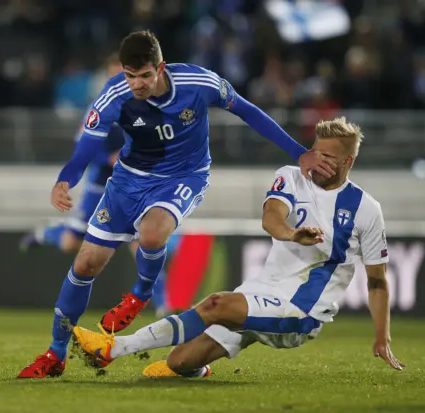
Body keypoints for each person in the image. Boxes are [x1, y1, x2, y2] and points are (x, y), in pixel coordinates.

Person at [17, 31, 335, 379]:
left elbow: (249, 112)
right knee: (85, 264)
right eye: (129, 75)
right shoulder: (114, 96)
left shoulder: (199, 83)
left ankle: (141, 293)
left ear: (160, 68)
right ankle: (55, 352)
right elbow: (86, 149)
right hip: (128, 180)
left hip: (183, 177)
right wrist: (66, 179)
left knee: (152, 236)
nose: (136, 84)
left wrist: (299, 152)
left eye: (144, 75)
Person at [72, 117, 405, 377]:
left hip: (302, 309)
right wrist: (290, 234)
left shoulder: (366, 209)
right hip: (261, 292)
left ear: (348, 162)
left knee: (215, 303)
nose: (317, 160)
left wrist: (381, 336)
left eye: (328, 157)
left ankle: (112, 349)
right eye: (315, 151)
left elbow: (377, 281)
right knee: (180, 361)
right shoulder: (292, 176)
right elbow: (271, 217)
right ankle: (197, 370)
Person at [18, 54, 173, 316]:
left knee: (144, 245)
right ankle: (47, 233)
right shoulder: (100, 109)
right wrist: (112, 158)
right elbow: (86, 149)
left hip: (136, 188)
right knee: (70, 243)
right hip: (102, 189)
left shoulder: (150, 104)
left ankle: (164, 304)